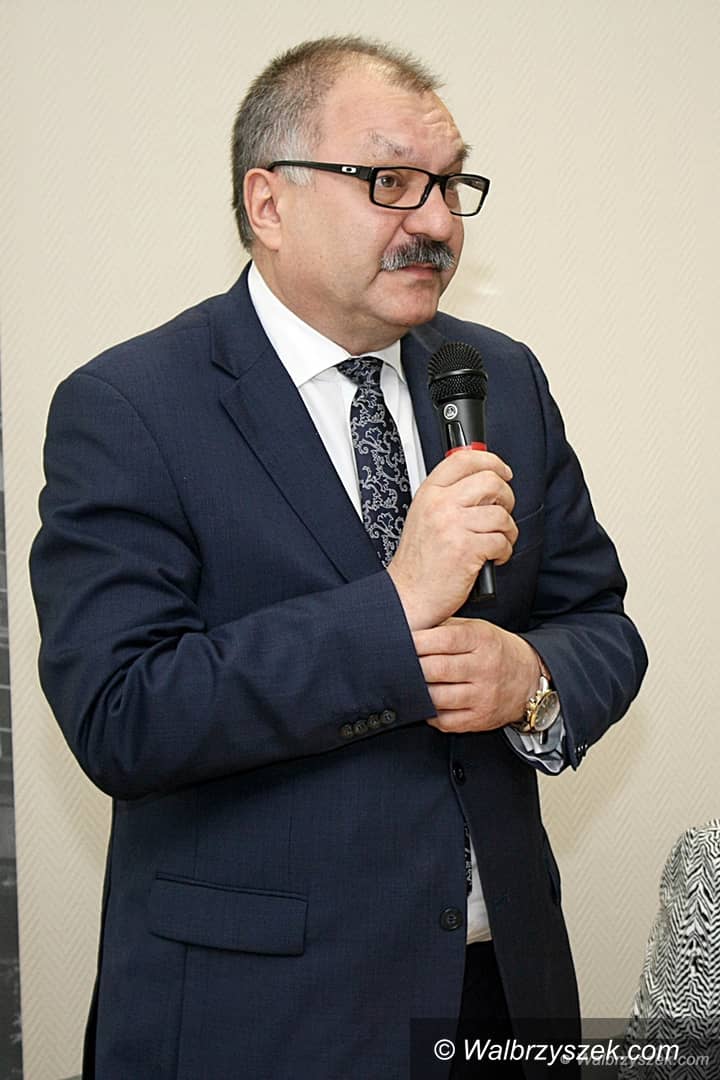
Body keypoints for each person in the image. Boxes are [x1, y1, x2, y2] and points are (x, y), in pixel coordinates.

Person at [30, 36, 647, 1080]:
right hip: (262, 1015)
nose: (438, 223)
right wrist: (395, 605)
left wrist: (531, 680)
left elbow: (601, 624)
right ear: (268, 202)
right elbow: (122, 714)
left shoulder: (498, 375)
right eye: (391, 182)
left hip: (499, 989)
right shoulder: (130, 406)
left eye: (451, 185)